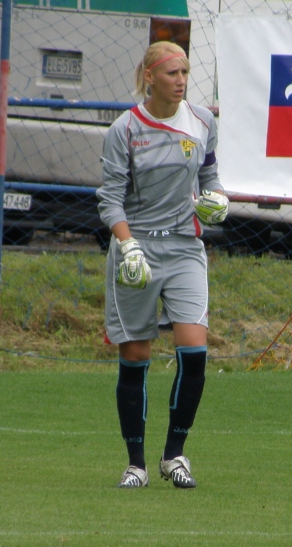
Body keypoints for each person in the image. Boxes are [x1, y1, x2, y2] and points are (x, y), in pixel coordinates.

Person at [96, 41, 229, 489]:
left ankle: (174, 455)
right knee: (136, 356)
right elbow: (110, 199)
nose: (181, 81)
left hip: (185, 247)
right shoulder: (124, 129)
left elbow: (209, 177)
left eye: (185, 73)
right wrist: (127, 245)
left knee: (194, 353)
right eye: (172, 73)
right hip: (136, 250)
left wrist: (216, 200)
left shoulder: (202, 121)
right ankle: (136, 464)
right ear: (149, 76)